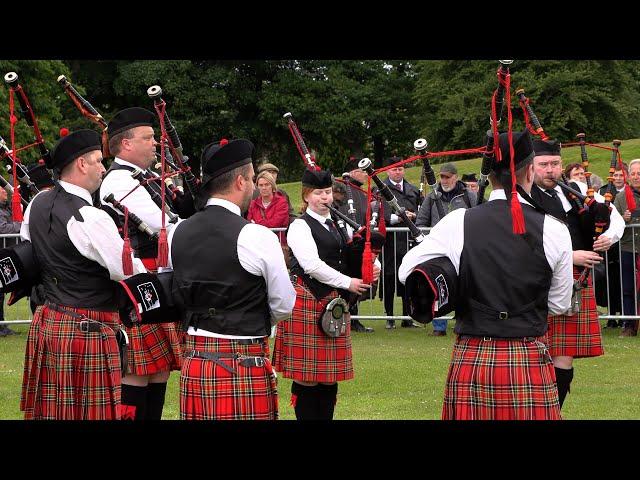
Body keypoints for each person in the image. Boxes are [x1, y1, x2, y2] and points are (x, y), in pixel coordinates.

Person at [399, 130, 573, 420]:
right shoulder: (554, 229)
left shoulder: (459, 222)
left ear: (489, 175)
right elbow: (558, 304)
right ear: (530, 171)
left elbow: (408, 271)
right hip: (527, 355)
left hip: (473, 357)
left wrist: (450, 274)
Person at [20, 129, 146, 420]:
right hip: (87, 330)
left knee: (54, 414)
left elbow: (31, 251)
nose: (104, 169)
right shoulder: (90, 216)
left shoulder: (36, 205)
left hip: (49, 323)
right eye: (99, 161)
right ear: (82, 164)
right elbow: (126, 271)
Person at [169, 138, 295, 420]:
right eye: (251, 179)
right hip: (242, 358)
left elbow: (176, 287)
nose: (253, 185)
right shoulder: (257, 235)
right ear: (240, 182)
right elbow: (284, 304)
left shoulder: (177, 231)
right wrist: (250, 316)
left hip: (196, 360)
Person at [99, 107, 187, 420]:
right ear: (126, 145)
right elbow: (164, 224)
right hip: (137, 284)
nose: (155, 143)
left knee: (159, 369)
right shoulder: (119, 182)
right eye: (148, 138)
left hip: (157, 281)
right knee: (137, 371)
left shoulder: (143, 178)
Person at [273, 167, 380, 420]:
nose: (325, 198)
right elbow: (311, 265)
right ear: (307, 195)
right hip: (308, 300)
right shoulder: (299, 226)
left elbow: (352, 254)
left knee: (330, 377)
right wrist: (349, 283)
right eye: (319, 193)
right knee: (308, 377)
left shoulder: (338, 223)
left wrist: (372, 267)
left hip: (332, 302)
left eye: (328, 192)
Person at [530, 138, 624, 409]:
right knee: (536, 351)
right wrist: (570, 255)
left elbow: (612, 214)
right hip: (537, 279)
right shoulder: (521, 195)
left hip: (575, 281)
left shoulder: (574, 189)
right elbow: (520, 240)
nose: (550, 170)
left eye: (555, 164)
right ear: (531, 166)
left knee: (564, 355)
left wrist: (609, 236)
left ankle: (553, 412)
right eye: (543, 164)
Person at [416, 162, 477, 336]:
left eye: (447, 177)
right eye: (441, 176)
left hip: (464, 246)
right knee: (437, 284)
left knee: (465, 284)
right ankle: (439, 327)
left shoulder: (469, 196)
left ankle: (464, 322)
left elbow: (480, 216)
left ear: (455, 177)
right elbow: (421, 221)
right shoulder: (432, 197)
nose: (444, 180)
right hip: (439, 247)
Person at [378, 157, 421, 329]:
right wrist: (399, 217)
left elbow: (420, 210)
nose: (398, 172)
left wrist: (414, 216)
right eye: (395, 169)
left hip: (408, 241)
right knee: (389, 279)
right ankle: (390, 317)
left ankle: (407, 317)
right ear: (388, 171)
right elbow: (379, 214)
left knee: (408, 278)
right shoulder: (379, 189)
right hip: (389, 242)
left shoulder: (412, 189)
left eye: (401, 168)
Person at [338, 156, 375, 333]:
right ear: (354, 172)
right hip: (347, 241)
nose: (366, 175)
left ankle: (354, 318)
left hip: (359, 241)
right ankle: (346, 317)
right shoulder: (345, 190)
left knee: (360, 279)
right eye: (363, 172)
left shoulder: (360, 192)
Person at [613, 158, 640, 337]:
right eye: (633, 174)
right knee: (628, 288)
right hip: (628, 248)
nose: (636, 177)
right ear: (628, 176)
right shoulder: (621, 197)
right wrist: (623, 218)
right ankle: (629, 325)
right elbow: (612, 222)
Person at [0, 185, 21, 337]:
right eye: (1, 189)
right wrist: (20, 226)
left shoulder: (5, 208)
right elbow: (3, 229)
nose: (4, 191)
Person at [247, 170, 290, 235]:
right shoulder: (253, 204)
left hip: (278, 241)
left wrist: (256, 223)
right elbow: (249, 224)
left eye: (267, 185)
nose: (264, 188)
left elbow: (275, 224)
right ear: (257, 187)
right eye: (261, 185)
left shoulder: (282, 202)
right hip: (258, 240)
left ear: (272, 186)